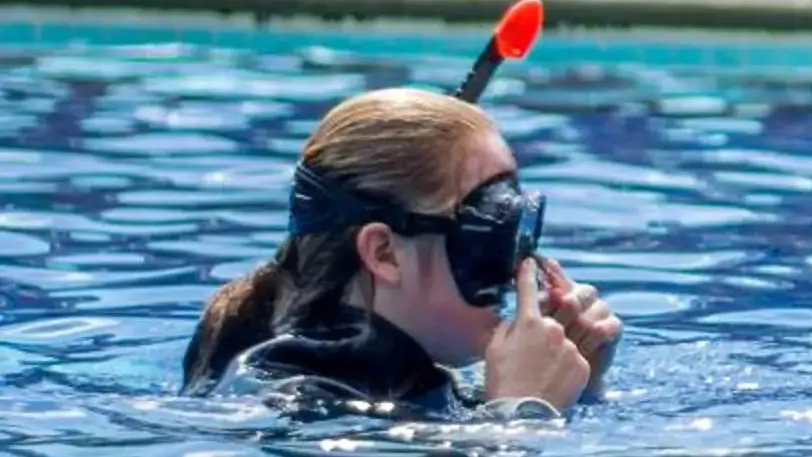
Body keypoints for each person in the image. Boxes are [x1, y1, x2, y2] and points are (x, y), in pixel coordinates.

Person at [185, 87, 618, 420]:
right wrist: (526, 412)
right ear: (385, 252)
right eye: (491, 236)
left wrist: (579, 384)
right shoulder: (294, 405)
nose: (515, 269)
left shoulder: (405, 379)